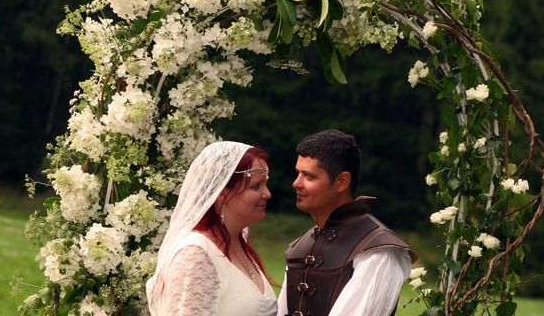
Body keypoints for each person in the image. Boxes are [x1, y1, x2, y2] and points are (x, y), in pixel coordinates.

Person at [277, 129, 418, 316]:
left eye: (309, 176)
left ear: (342, 181)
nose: (296, 183)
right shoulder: (300, 247)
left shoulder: (377, 250)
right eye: (298, 174)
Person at [146, 141, 277, 316]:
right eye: (256, 186)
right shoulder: (196, 253)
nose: (267, 194)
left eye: (265, 184)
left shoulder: (238, 244)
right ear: (222, 192)